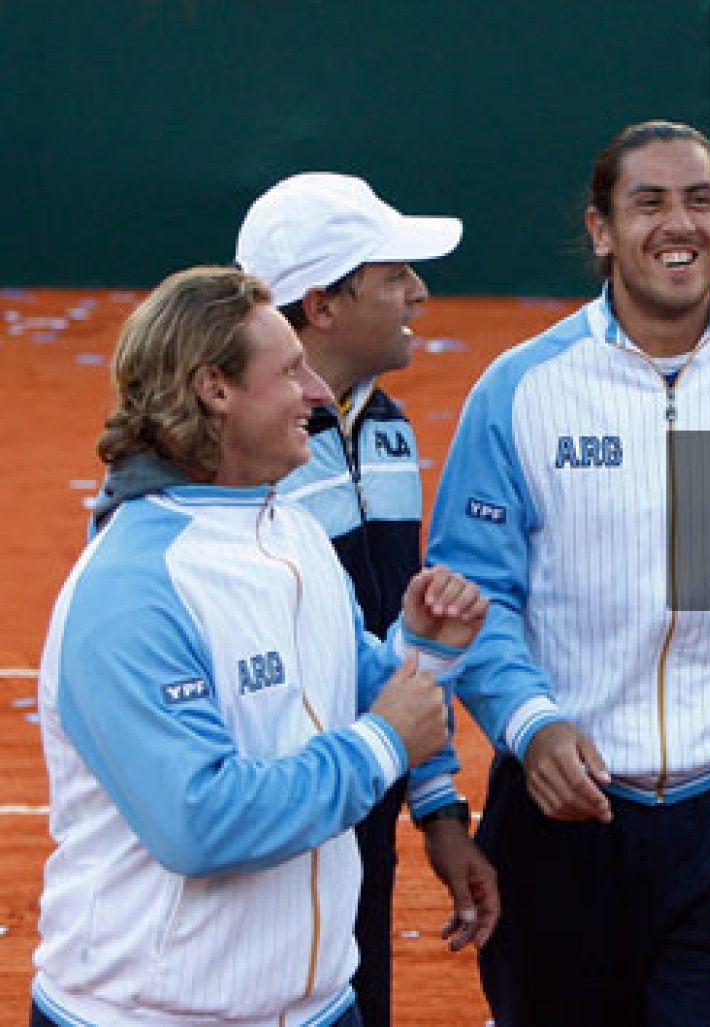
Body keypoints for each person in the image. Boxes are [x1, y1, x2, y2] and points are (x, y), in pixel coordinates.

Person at [426, 120, 710, 1025]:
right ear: (602, 229)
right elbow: (469, 601)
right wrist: (535, 726)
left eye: (700, 201)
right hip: (565, 821)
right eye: (649, 203)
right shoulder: (520, 388)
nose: (678, 224)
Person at [32, 266, 488, 1026]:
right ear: (215, 388)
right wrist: (382, 744)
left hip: (317, 1006)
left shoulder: (295, 534)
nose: (317, 392)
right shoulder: (131, 590)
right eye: (290, 371)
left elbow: (368, 690)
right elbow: (199, 820)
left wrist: (424, 650)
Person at [236, 171, 499, 1026]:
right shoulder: (237, 457)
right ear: (321, 304)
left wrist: (434, 803)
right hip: (274, 828)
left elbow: (400, 643)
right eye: (394, 275)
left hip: (366, 801)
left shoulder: (385, 425)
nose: (419, 290)